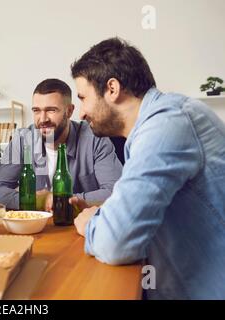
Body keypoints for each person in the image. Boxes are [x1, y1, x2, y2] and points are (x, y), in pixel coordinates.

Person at [70, 37, 225, 299]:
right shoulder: (152, 128)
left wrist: (92, 223)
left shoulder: (167, 124)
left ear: (112, 88)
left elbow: (116, 242)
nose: (82, 113)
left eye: (83, 98)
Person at [0, 78, 123, 210]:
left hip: (78, 225)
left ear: (69, 111)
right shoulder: (22, 139)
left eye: (51, 110)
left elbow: (117, 192)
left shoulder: (96, 139)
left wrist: (61, 199)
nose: (43, 119)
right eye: (37, 111)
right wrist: (38, 200)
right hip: (37, 227)